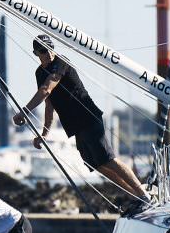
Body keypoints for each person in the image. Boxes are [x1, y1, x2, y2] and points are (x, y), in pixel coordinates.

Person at [13, 34, 150, 207]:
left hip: (89, 118)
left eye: (49, 49)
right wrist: (45, 133)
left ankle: (144, 195)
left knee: (108, 159)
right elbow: (49, 104)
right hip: (76, 127)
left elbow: (47, 89)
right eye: (42, 51)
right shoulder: (40, 73)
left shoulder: (61, 62)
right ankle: (136, 197)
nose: (47, 53)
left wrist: (24, 112)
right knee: (95, 164)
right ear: (36, 53)